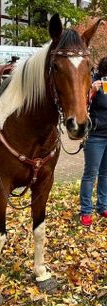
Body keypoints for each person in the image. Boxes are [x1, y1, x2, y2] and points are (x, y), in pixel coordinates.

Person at [80, 56, 107, 226]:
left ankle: (103, 206)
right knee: (90, 174)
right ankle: (86, 211)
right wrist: (91, 91)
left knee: (105, 173)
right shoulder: (93, 82)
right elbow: (81, 107)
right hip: (96, 136)